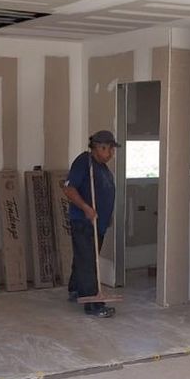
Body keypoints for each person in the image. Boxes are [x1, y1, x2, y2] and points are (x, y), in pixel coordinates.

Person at [62, 130, 120, 318]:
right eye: (106, 149)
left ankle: (75, 289)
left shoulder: (102, 167)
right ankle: (93, 304)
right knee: (89, 261)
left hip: (98, 223)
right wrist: (86, 208)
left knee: (84, 257)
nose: (110, 153)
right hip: (84, 222)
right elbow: (69, 189)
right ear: (96, 147)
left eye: (112, 149)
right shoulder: (84, 162)